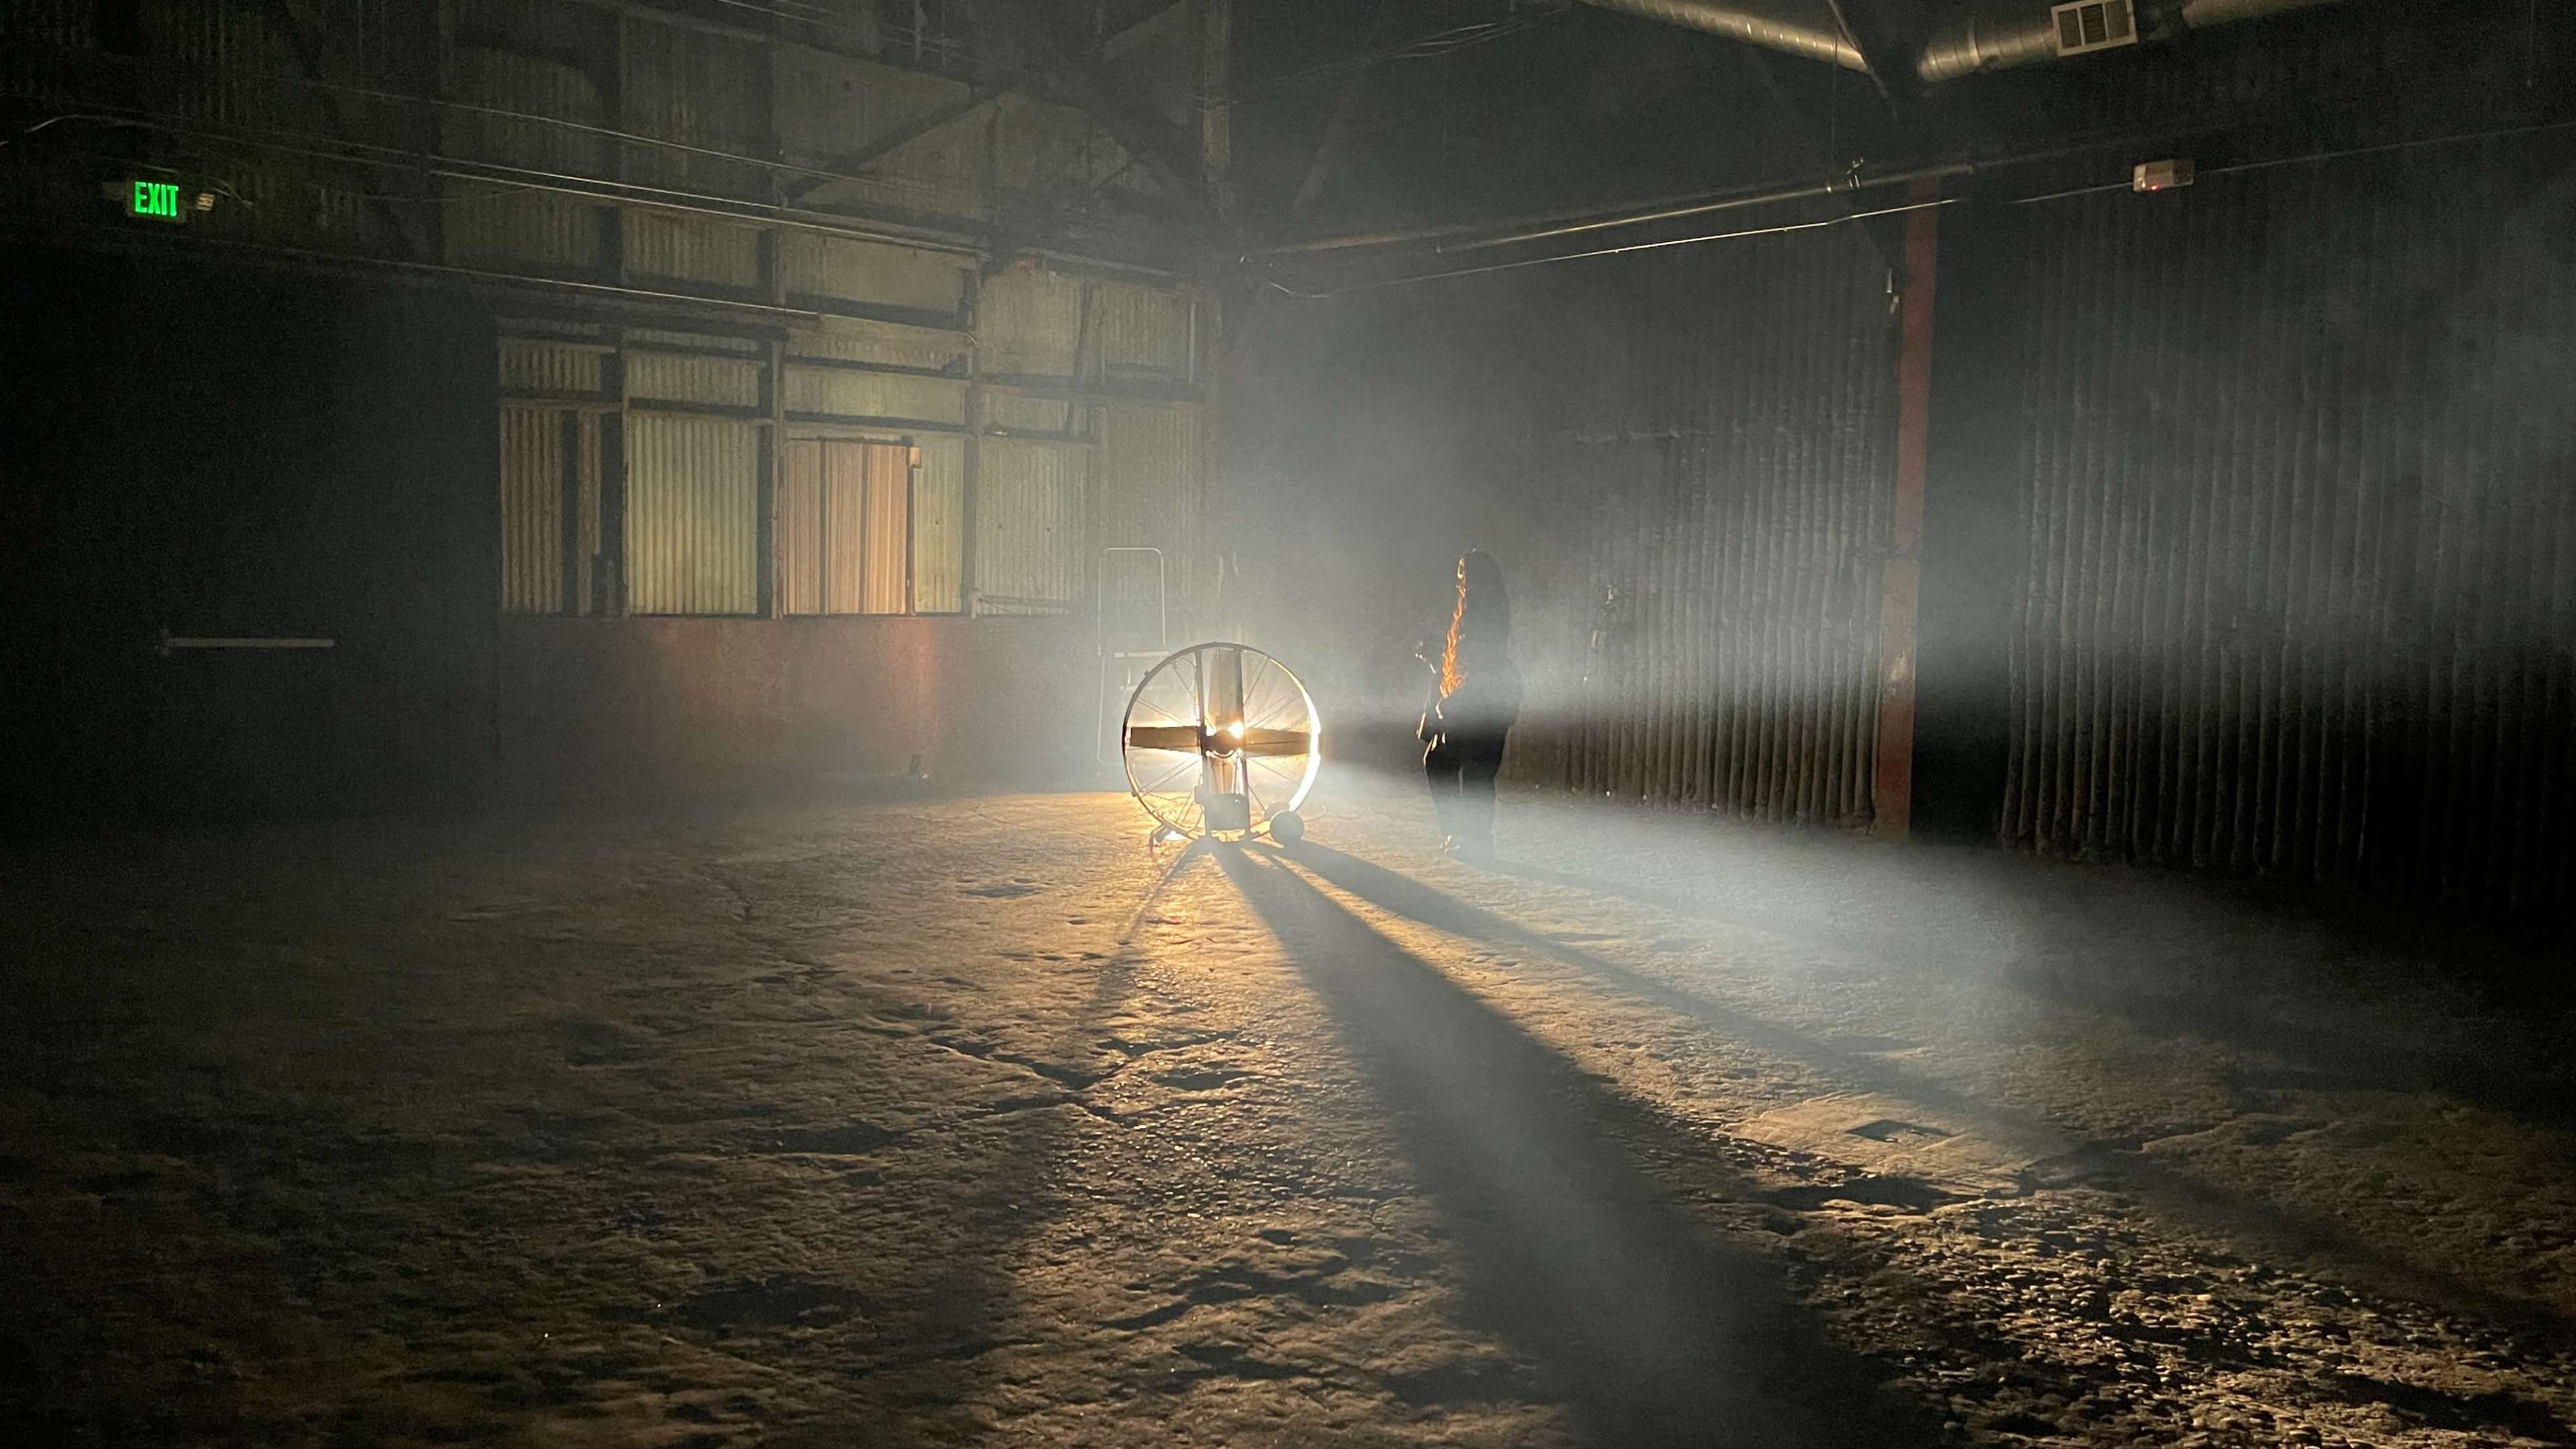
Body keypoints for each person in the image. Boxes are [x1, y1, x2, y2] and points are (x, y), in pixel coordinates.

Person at [1418, 550, 1521, 860]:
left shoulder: (1487, 612)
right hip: (1474, 696)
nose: (1459, 579)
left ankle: (1473, 840)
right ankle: (1463, 835)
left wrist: (1459, 698)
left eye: (1464, 573)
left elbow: (1487, 663)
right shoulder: (1473, 611)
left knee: (1474, 769)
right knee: (1444, 762)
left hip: (1486, 699)